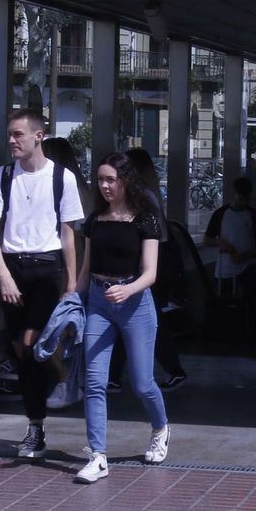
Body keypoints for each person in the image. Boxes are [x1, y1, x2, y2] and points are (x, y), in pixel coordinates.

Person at [0, 110, 85, 461]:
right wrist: (4, 275)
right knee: (21, 350)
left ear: (39, 136)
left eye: (18, 134)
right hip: (13, 268)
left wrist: (71, 282)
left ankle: (45, 407)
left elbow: (69, 233)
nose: (12, 140)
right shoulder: (3, 176)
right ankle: (36, 423)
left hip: (47, 268)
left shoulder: (62, 178)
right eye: (10, 134)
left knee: (30, 342)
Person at [76, 152, 171, 483]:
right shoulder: (94, 220)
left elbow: (151, 274)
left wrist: (128, 291)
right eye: (100, 179)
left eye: (110, 180)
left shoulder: (146, 219)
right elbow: (86, 269)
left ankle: (160, 428)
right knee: (94, 381)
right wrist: (73, 298)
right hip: (99, 302)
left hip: (135, 302)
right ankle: (97, 455)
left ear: (125, 181)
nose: (103, 186)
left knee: (142, 382)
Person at [120, 146, 189, 390]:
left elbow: (149, 235)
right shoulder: (149, 194)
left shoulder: (142, 197)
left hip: (151, 263)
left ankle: (173, 369)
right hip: (158, 261)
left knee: (149, 320)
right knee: (139, 318)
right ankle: (114, 374)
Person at [204, 177, 256, 342]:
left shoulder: (253, 215)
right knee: (229, 302)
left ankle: (254, 333)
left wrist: (242, 255)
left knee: (253, 297)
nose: (242, 201)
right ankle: (232, 336)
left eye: (245, 198)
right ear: (234, 194)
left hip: (246, 264)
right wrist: (221, 243)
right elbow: (207, 239)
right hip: (225, 266)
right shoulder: (221, 214)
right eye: (240, 197)